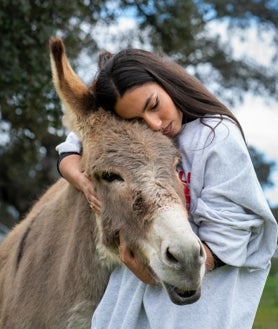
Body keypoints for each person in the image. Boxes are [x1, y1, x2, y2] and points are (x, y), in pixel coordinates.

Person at [56, 48, 278, 329]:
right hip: (129, 313)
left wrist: (151, 271)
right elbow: (79, 136)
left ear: (166, 81)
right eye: (136, 120)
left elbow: (230, 239)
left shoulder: (216, 136)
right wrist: (74, 171)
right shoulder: (142, 136)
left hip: (196, 316)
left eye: (153, 104)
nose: (154, 124)